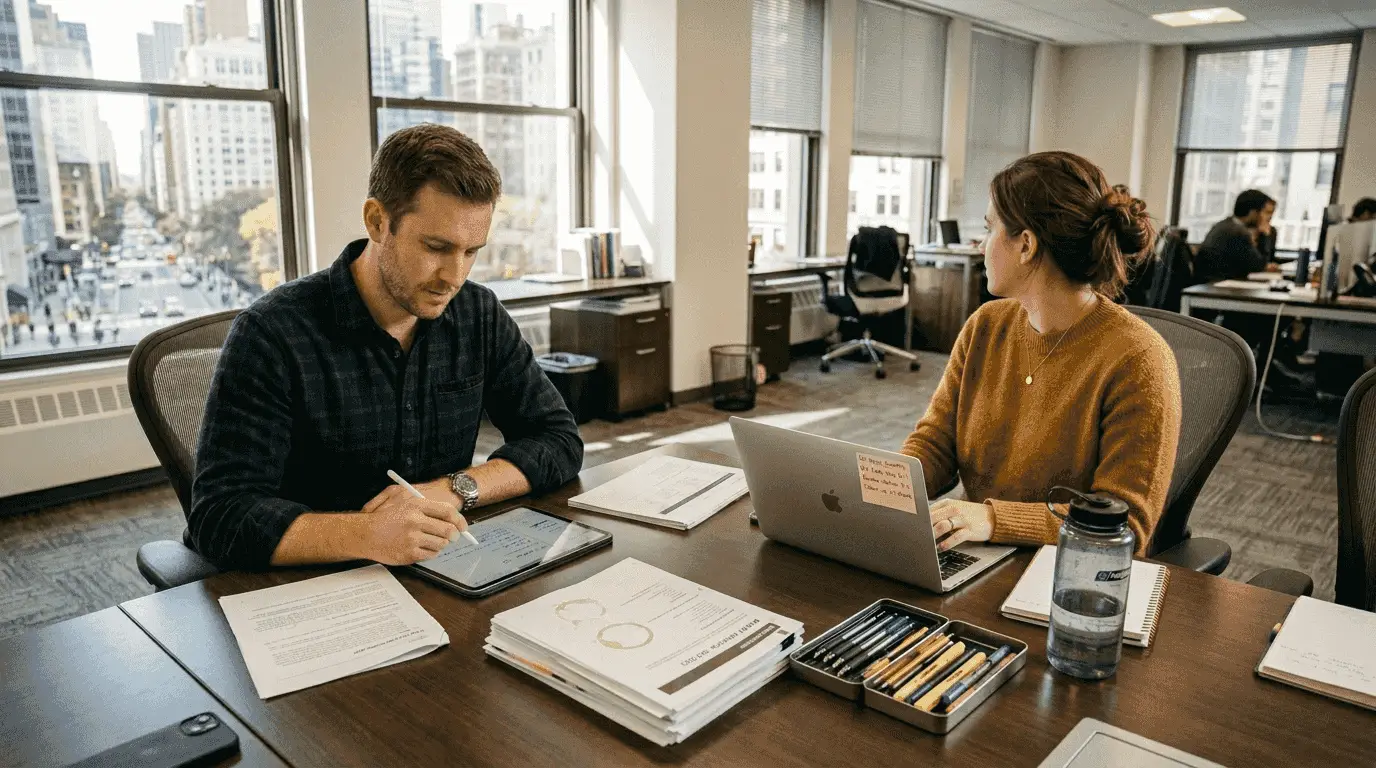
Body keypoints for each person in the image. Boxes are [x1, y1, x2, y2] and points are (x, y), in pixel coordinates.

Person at [191, 124, 584, 570]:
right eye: (437, 247)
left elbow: (559, 440)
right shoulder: (272, 334)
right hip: (310, 586)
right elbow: (219, 516)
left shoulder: (477, 313)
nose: (454, 277)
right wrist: (370, 534)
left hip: (438, 568)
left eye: (472, 251)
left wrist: (454, 489)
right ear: (378, 222)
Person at [900, 151, 1182, 556]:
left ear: (1026, 245)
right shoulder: (986, 326)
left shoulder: (1139, 359)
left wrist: (996, 520)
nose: (981, 246)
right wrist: (884, 487)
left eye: (989, 229)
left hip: (1066, 574)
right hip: (972, 551)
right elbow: (935, 443)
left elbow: (1126, 523)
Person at [1194, 189, 1277, 283]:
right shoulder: (1238, 232)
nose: (1267, 217)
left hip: (1209, 283)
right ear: (1253, 212)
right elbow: (1259, 266)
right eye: (1263, 212)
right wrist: (1264, 235)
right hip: (1215, 287)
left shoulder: (1225, 225)